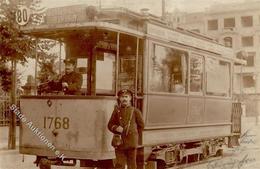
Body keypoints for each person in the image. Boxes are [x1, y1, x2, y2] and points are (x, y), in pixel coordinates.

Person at [107, 89, 144, 169]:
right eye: (122, 97)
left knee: (132, 165)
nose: (124, 99)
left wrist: (133, 133)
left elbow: (141, 125)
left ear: (130, 98)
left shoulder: (135, 111)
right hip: (119, 143)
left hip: (131, 143)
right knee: (119, 165)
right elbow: (110, 125)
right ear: (119, 99)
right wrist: (116, 128)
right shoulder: (117, 111)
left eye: (126, 97)